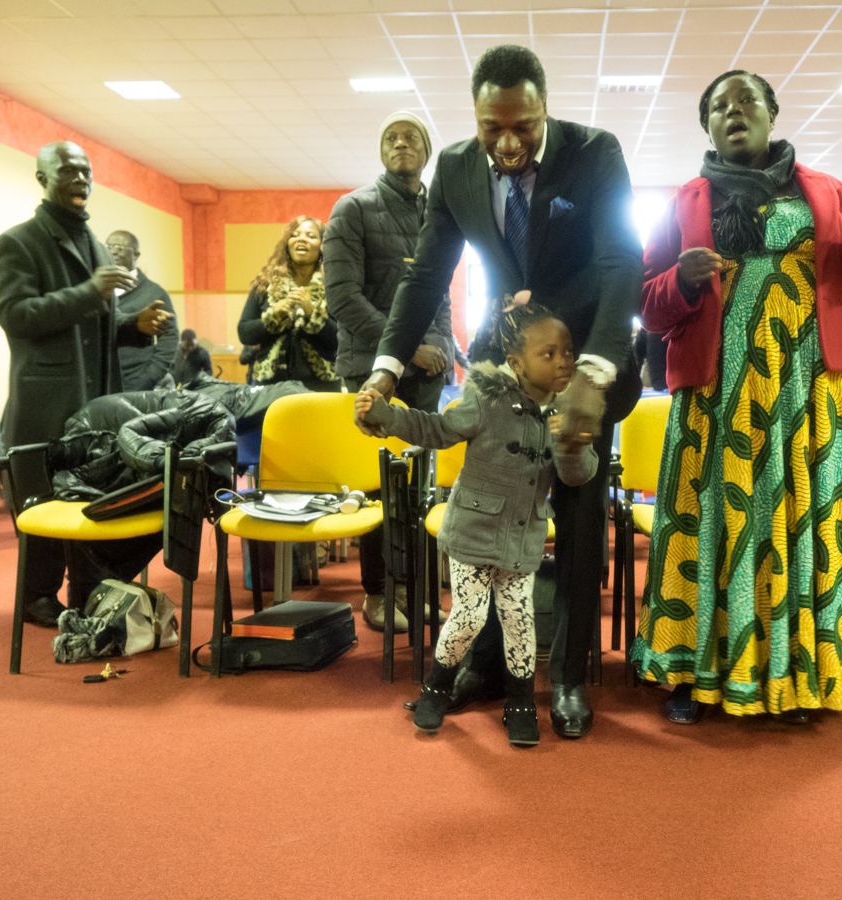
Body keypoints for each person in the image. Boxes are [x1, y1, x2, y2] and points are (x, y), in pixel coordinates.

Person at [355, 45, 643, 740]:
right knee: (487, 515)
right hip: (502, 371)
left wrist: (593, 378)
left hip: (581, 364)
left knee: (573, 518)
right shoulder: (454, 166)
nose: (509, 143)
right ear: (476, 118)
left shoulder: (594, 152)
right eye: (494, 128)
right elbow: (426, 274)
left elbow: (619, 261)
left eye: (525, 126)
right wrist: (384, 367)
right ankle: (484, 663)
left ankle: (568, 675)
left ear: (544, 108)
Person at [630, 70, 842, 725]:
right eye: (718, 106)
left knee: (808, 523)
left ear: (773, 112)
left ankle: (804, 673)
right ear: (708, 126)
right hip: (721, 392)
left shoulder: (831, 195)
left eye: (746, 101)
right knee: (717, 523)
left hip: (813, 388)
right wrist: (684, 282)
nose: (733, 113)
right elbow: (647, 305)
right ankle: (698, 674)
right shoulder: (685, 203)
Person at [357, 301, 597, 746]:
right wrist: (385, 415)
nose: (564, 361)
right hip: (472, 531)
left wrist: (572, 443)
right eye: (550, 354)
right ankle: (437, 688)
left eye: (569, 352)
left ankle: (521, 702)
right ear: (515, 363)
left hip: (523, 537)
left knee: (519, 621)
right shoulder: (487, 399)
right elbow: (435, 430)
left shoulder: (569, 410)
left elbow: (578, 475)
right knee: (468, 616)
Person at [0, 141, 173, 626]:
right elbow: (16, 315)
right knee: (45, 500)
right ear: (42, 178)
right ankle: (35, 597)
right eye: (68, 169)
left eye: (87, 170)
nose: (81, 177)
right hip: (45, 402)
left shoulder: (90, 241)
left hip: (92, 402)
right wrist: (90, 290)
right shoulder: (19, 242)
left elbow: (87, 329)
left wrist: (133, 328)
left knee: (90, 498)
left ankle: (90, 588)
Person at [324, 110, 454, 633]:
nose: (402, 144)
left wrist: (440, 346)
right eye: (392, 138)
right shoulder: (353, 208)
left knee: (421, 491)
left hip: (428, 376)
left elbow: (440, 293)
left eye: (412, 138)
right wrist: (406, 351)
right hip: (367, 369)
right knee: (378, 489)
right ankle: (378, 594)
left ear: (426, 152)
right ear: (382, 152)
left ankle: (417, 591)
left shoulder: (437, 212)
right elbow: (342, 299)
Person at [238, 217, 340, 391]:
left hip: (321, 388)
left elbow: (342, 341)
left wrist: (312, 315)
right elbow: (245, 333)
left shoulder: (335, 286)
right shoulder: (264, 284)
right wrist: (273, 316)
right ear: (287, 244)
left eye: (311, 236)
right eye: (295, 235)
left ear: (322, 246)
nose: (302, 239)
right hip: (270, 388)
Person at [107, 230, 179, 391]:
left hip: (136, 381)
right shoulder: (98, 288)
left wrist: (150, 376)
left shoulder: (154, 292)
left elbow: (169, 338)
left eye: (119, 247)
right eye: (109, 246)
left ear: (136, 255)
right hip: (99, 380)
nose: (113, 251)